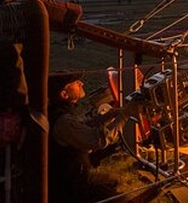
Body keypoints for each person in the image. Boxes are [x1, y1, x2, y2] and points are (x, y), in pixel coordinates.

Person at [48, 71, 140, 203]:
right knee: (124, 200)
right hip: (73, 185)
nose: (81, 83)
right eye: (75, 83)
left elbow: (83, 126)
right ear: (64, 94)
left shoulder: (62, 113)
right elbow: (97, 140)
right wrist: (126, 114)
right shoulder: (63, 121)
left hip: (75, 176)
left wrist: (110, 115)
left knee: (113, 179)